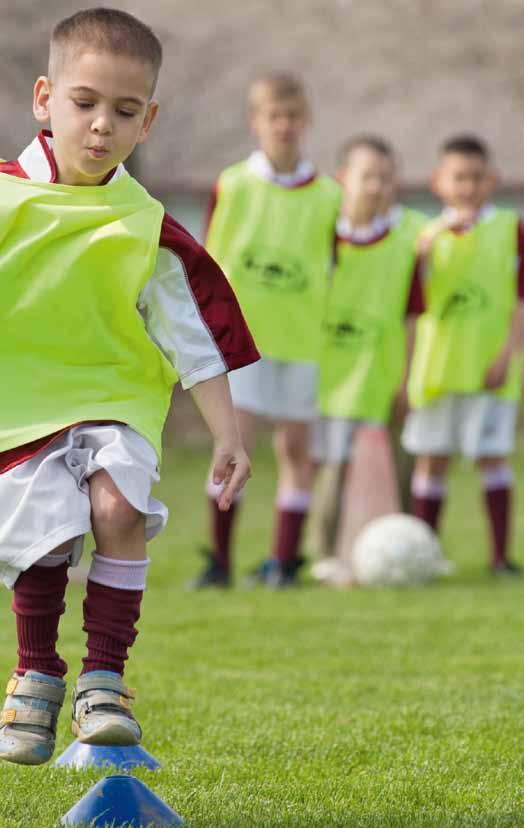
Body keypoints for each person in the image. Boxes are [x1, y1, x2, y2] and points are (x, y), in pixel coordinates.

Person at [0, 7, 259, 765]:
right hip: (10, 414)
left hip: (112, 401)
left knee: (118, 503)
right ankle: (36, 674)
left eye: (123, 111)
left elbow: (195, 340)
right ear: (45, 99)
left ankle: (105, 678)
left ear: (149, 121)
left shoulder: (144, 227)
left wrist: (228, 435)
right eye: (84, 104)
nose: (100, 127)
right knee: (45, 541)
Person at [193, 72, 341, 588]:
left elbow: (337, 266)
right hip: (242, 344)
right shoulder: (232, 184)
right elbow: (209, 261)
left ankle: (282, 562)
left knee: (296, 452)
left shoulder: (328, 194)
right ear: (256, 122)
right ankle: (220, 562)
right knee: (233, 448)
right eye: (274, 116)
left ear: (307, 121)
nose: (285, 125)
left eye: (294, 116)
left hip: (302, 341)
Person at [403, 135, 524, 576]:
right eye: (459, 178)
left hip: (490, 368)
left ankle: (500, 558)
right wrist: (422, 252)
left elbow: (519, 301)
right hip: (437, 369)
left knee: (492, 458)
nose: (468, 187)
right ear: (439, 182)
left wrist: (507, 354)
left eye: (476, 178)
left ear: (491, 181)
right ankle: (423, 557)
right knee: (432, 458)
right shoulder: (423, 235)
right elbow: (409, 299)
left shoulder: (510, 229)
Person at [309, 136, 425, 581]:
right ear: (343, 179)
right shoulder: (321, 237)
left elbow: (413, 317)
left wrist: (407, 377)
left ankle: (412, 549)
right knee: (330, 466)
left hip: (383, 371)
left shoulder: (406, 243)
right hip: (327, 372)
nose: (377, 187)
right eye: (367, 177)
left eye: (386, 178)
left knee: (403, 463)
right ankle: (322, 554)